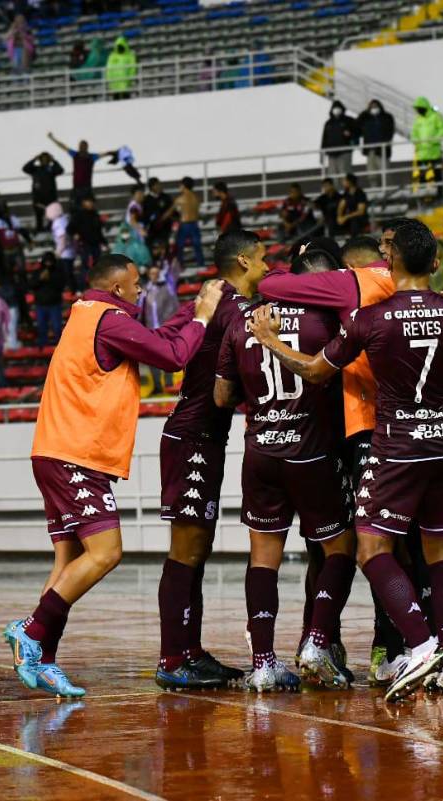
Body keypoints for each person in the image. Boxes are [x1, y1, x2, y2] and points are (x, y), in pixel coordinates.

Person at [250, 219, 443, 701]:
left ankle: (419, 646)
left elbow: (317, 372)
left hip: (393, 446)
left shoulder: (371, 318)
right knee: (440, 556)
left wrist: (272, 341)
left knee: (372, 550)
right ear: (438, 262)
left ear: (390, 260)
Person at [3, 255, 225, 698]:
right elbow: (172, 354)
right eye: (137, 284)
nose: (142, 289)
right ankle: (31, 630)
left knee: (69, 563)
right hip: (75, 455)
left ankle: (42, 657)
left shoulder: (91, 315)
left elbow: (157, 337)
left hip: (55, 450)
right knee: (106, 552)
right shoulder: (109, 320)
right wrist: (202, 316)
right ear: (118, 288)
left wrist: (195, 306)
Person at [212, 252, 356, 691]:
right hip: (310, 453)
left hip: (260, 453)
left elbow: (221, 396)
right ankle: (316, 642)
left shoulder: (245, 320)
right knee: (342, 548)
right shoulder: (323, 320)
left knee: (263, 560)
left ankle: (263, 663)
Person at [153, 231, 267, 690]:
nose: (267, 267)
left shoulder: (209, 299)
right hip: (192, 438)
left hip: (203, 437)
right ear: (242, 261)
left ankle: (189, 650)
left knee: (198, 550)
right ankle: (172, 658)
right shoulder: (231, 306)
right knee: (187, 549)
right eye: (262, 259)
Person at [141, 262, 180, 392]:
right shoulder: (145, 290)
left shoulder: (167, 289)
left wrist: (171, 326)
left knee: (167, 356)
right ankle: (157, 385)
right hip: (150, 328)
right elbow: (140, 309)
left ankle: (169, 384)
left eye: (156, 273)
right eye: (151, 273)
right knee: (152, 358)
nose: (154, 275)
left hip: (165, 328)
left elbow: (174, 308)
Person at [46, 132, 113, 202]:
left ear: (87, 147)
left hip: (87, 188)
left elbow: (104, 154)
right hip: (76, 188)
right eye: (81, 145)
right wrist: (53, 139)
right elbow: (63, 146)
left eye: (84, 145)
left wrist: (111, 153)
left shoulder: (91, 157)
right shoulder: (75, 155)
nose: (82, 147)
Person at [411, 97, 443, 199]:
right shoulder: (418, 120)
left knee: (437, 175)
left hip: (434, 152)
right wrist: (417, 142)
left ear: (423, 107)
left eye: (418, 108)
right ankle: (423, 197)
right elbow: (414, 133)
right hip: (422, 154)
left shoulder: (436, 116)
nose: (417, 110)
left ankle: (439, 196)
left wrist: (433, 141)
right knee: (422, 176)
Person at [22, 152, 64, 233]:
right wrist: (34, 159)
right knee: (39, 215)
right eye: (42, 159)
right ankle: (39, 229)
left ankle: (50, 229)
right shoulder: (35, 169)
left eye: (46, 159)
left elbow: (61, 170)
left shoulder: (51, 169)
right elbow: (25, 168)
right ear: (40, 160)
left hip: (50, 197)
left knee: (52, 216)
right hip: (38, 197)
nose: (44, 160)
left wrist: (54, 161)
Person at [32, 252, 66, 347]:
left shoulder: (58, 272)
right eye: (46, 262)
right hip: (40, 305)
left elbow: (61, 286)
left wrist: (50, 278)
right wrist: (40, 279)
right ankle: (42, 345)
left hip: (54, 305)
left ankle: (60, 346)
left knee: (57, 327)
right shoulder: (37, 272)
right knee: (42, 327)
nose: (48, 264)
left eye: (50, 262)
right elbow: (31, 285)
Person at [356, 99, 395, 180]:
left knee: (385, 173)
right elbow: (357, 127)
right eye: (371, 107)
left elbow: (390, 131)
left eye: (375, 106)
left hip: (382, 150)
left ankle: (388, 191)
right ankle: (374, 191)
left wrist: (386, 142)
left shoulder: (387, 117)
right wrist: (364, 114)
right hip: (370, 150)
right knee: (372, 175)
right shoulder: (366, 118)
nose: (374, 108)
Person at [71, 195, 107, 277]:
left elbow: (98, 231)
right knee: (85, 265)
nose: (90, 204)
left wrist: (104, 242)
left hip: (95, 244)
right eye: (88, 201)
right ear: (83, 203)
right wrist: (75, 234)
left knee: (97, 265)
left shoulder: (95, 215)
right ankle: (85, 285)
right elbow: (70, 228)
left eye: (92, 202)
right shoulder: (78, 215)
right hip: (84, 244)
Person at [321, 100, 357, 179]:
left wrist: (350, 136)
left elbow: (356, 132)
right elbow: (324, 138)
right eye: (335, 108)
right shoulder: (328, 123)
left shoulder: (349, 120)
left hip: (345, 151)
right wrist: (322, 153)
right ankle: (336, 191)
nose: (336, 110)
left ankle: (347, 190)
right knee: (333, 175)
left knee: (345, 173)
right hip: (331, 153)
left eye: (338, 108)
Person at [173, 177, 204, 267]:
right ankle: (201, 265)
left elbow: (170, 211)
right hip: (194, 224)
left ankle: (179, 266)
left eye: (180, 185)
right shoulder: (197, 198)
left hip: (184, 224)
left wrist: (161, 219)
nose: (179, 187)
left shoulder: (180, 199)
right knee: (197, 247)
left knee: (180, 247)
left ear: (183, 186)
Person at [337, 173, 369, 237]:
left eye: (344, 181)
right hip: (350, 217)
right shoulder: (347, 193)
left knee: (354, 221)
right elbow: (341, 205)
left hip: (360, 218)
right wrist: (339, 216)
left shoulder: (360, 193)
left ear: (349, 182)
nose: (343, 182)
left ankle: (354, 238)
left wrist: (345, 217)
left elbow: (360, 211)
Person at [104, 35, 136, 99]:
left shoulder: (130, 56)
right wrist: (109, 81)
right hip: (115, 84)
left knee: (126, 101)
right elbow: (108, 70)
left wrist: (130, 80)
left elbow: (133, 69)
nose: (120, 48)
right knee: (116, 103)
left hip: (125, 84)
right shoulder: (112, 56)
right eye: (118, 46)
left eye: (121, 46)